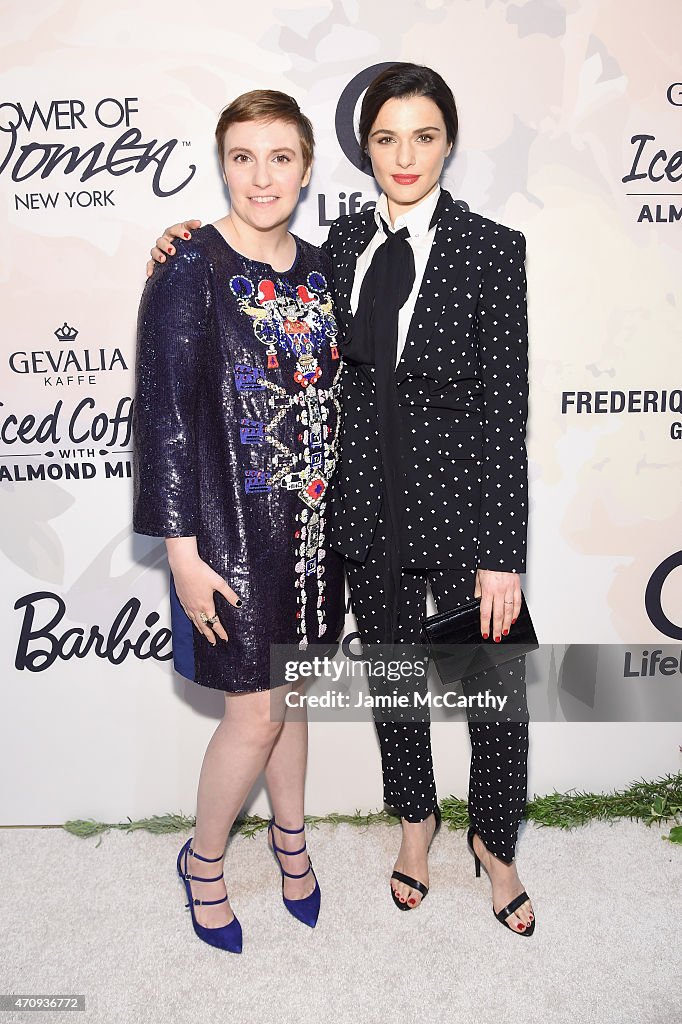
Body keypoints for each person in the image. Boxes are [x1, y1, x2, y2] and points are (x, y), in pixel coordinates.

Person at [146, 63, 535, 936]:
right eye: (387, 138)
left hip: (468, 516)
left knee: (497, 696)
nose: (406, 155)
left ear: (448, 144)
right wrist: (178, 242)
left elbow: (507, 411)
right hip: (354, 520)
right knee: (396, 690)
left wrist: (503, 548)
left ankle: (497, 847)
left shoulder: (493, 248)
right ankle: (415, 829)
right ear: (362, 151)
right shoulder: (340, 251)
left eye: (425, 136)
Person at [133, 89, 345, 954]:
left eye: (281, 157)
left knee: (288, 701)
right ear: (223, 164)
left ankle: (290, 840)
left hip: (314, 532)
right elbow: (165, 417)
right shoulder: (191, 265)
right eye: (244, 157)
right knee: (252, 714)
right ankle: (206, 861)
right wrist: (181, 552)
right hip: (227, 534)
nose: (263, 176)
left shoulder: (328, 268)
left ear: (305, 165)